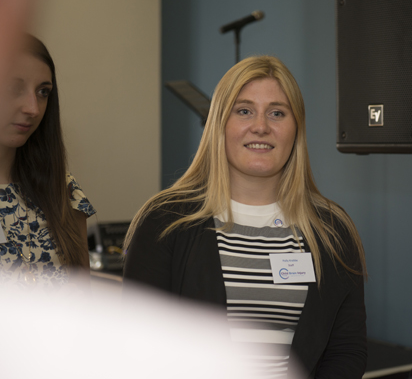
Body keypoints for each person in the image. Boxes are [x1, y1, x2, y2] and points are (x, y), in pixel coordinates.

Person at [123, 56, 367, 378]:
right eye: (244, 111)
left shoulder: (332, 230)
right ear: (219, 123)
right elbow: (141, 347)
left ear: (296, 129)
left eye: (277, 113)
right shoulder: (166, 221)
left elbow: (346, 352)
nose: (261, 126)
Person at [0, 34, 96, 287]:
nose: (33, 108)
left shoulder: (63, 190)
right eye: (14, 88)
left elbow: (83, 304)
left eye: (43, 92)